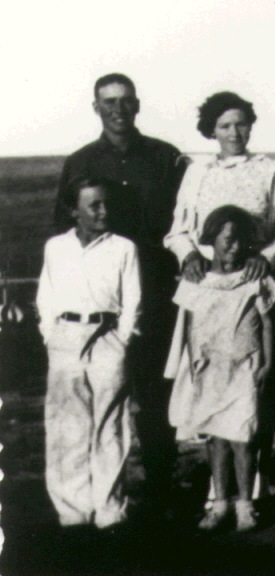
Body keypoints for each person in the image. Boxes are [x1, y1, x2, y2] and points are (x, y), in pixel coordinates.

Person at [54, 73, 186, 520]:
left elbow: (184, 221)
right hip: (102, 302)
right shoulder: (80, 162)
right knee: (96, 400)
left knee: (155, 397)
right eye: (108, 101)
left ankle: (160, 489)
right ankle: (95, 498)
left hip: (157, 293)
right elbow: (63, 234)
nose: (118, 109)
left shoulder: (165, 157)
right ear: (96, 108)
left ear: (137, 105)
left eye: (125, 100)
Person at [163, 91, 275, 501]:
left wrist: (266, 257)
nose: (234, 132)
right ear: (211, 130)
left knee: (260, 382)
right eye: (224, 125)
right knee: (210, 379)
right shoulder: (197, 174)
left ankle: (256, 482)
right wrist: (189, 255)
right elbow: (178, 231)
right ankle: (219, 486)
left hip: (257, 288)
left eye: (241, 123)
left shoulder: (271, 173)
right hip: (210, 291)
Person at [164, 205, 275, 532]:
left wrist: (267, 364)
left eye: (241, 240)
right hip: (209, 371)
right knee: (216, 439)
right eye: (227, 239)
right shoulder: (197, 281)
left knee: (243, 437)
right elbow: (189, 329)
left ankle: (245, 506)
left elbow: (268, 324)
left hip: (245, 368)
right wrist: (194, 370)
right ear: (210, 240)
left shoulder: (256, 279)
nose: (234, 247)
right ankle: (219, 505)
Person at [37, 177, 141, 529]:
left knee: (111, 425)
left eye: (107, 203)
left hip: (108, 338)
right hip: (65, 338)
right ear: (74, 211)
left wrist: (122, 340)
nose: (103, 211)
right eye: (94, 205)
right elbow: (46, 296)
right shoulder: (56, 248)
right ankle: (73, 510)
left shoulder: (123, 248)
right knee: (68, 425)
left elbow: (133, 301)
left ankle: (110, 509)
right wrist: (51, 335)